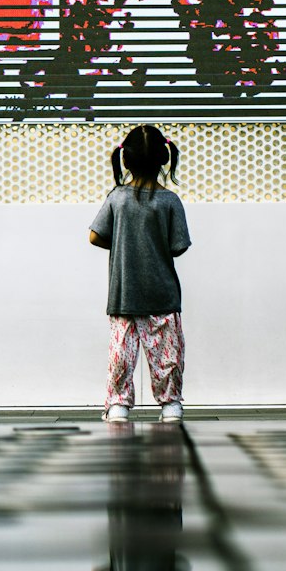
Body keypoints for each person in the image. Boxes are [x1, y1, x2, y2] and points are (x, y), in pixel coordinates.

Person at [89, 125, 191, 423]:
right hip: (163, 293)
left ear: (126, 160)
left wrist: (122, 240)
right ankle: (171, 405)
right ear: (163, 159)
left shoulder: (117, 198)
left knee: (121, 354)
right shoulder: (170, 201)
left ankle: (118, 406)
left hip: (124, 293)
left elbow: (95, 236)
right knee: (167, 356)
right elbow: (178, 246)